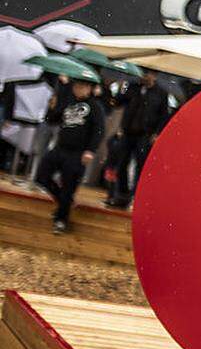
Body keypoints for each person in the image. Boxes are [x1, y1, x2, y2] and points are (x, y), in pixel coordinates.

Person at [34, 77, 105, 233]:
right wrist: (52, 107)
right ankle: (64, 202)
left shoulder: (95, 106)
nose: (78, 89)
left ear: (90, 89)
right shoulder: (68, 101)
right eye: (77, 85)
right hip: (60, 148)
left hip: (78, 153)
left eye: (83, 86)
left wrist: (90, 150)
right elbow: (52, 120)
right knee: (41, 176)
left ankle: (61, 220)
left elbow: (99, 130)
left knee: (68, 187)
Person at [105, 69, 170, 208]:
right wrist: (121, 90)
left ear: (154, 76)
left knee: (140, 167)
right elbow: (117, 103)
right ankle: (121, 195)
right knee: (121, 164)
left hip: (145, 134)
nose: (145, 76)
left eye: (148, 74)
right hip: (128, 132)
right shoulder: (132, 87)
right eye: (143, 73)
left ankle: (135, 196)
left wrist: (157, 133)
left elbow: (164, 116)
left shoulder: (161, 93)